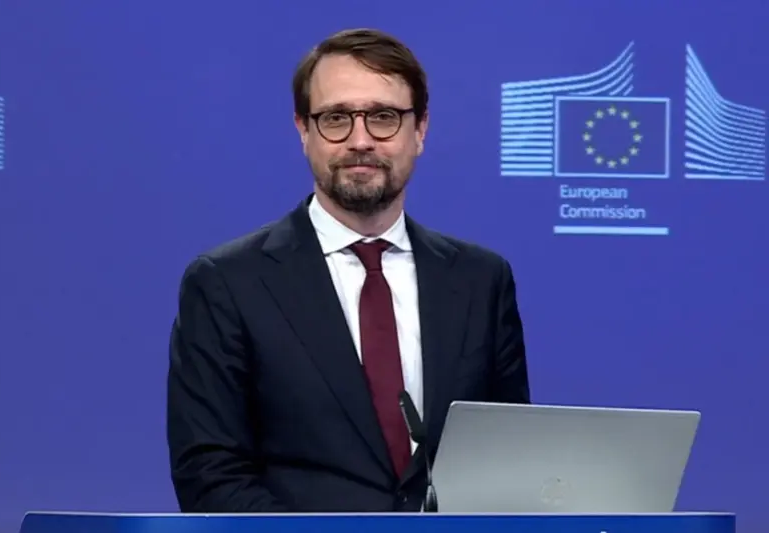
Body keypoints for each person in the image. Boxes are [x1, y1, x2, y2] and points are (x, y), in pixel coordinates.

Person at [166, 27, 530, 513]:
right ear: (303, 130)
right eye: (336, 118)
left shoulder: (481, 280)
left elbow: (509, 459)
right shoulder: (226, 283)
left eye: (383, 117)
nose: (360, 140)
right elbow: (210, 476)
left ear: (420, 129)